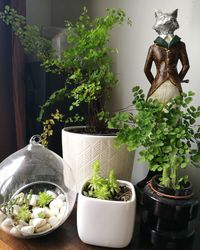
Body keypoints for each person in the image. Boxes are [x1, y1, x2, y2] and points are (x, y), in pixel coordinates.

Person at [144, 9, 189, 104]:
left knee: (162, 113)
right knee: (172, 114)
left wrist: (155, 82)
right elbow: (186, 66)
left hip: (160, 84)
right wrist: (178, 79)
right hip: (172, 85)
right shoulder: (154, 47)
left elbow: (146, 70)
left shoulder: (154, 47)